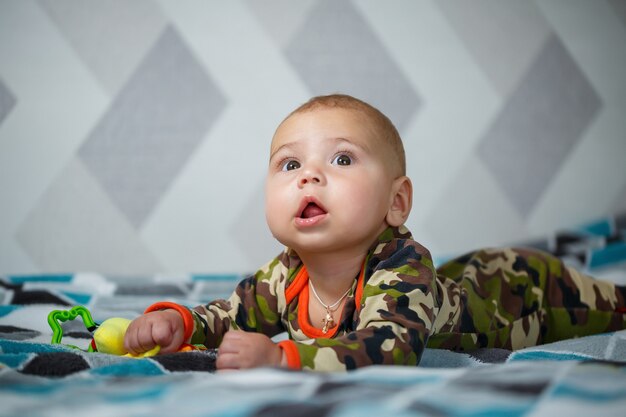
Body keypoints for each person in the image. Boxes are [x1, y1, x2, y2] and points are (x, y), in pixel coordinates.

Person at [124, 94, 626, 371]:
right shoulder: (285, 275)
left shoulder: (401, 266)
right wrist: (179, 324)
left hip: (520, 292)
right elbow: (232, 314)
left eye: (341, 159)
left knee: (612, 309)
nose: (309, 175)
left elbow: (390, 346)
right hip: (465, 277)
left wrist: (285, 356)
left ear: (396, 202)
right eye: (289, 163)